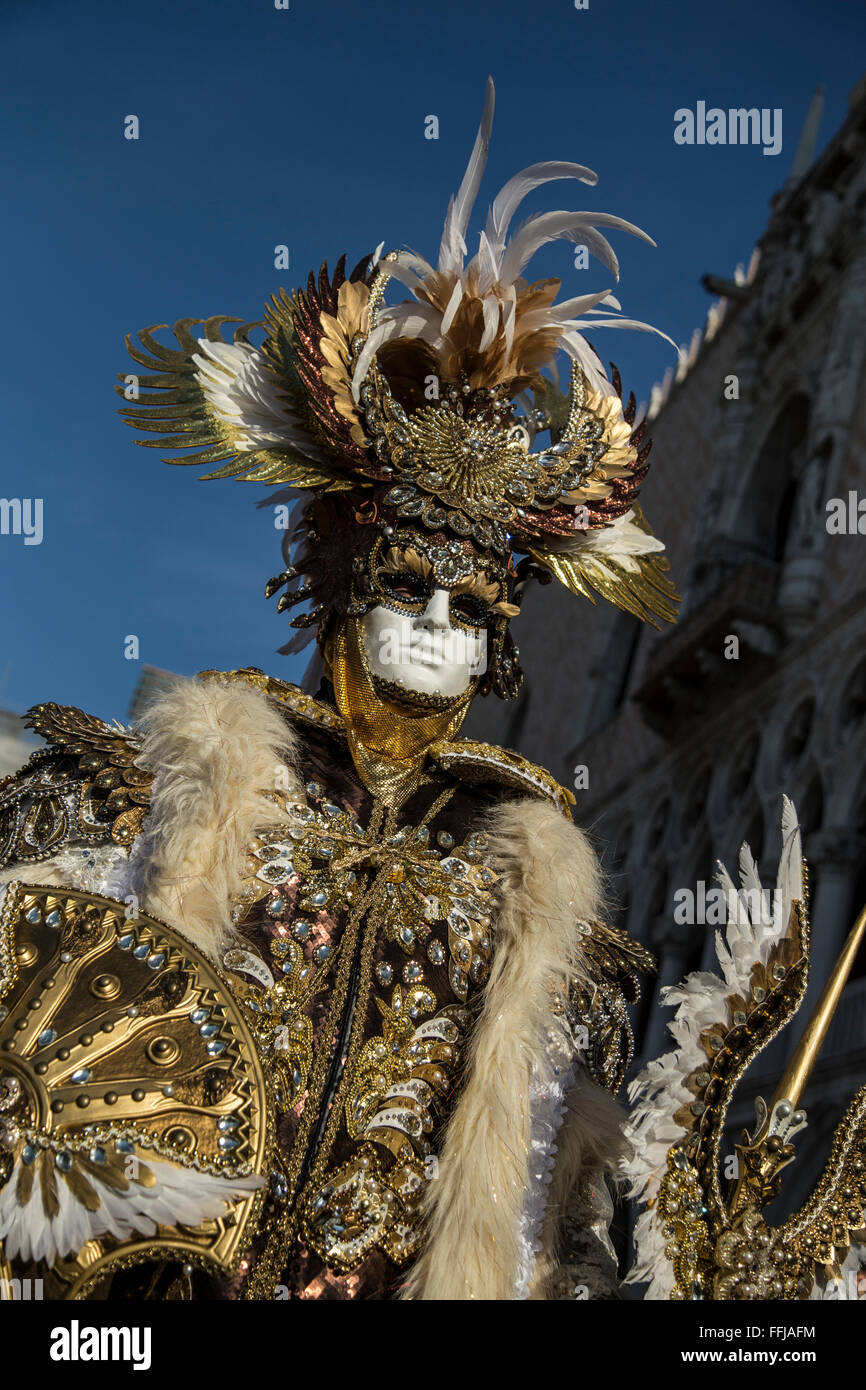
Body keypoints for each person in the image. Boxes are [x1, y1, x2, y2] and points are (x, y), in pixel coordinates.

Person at [0, 79, 676, 1300]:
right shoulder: (145, 798)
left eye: (467, 615)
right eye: (409, 591)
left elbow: (548, 1220)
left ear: (501, 649)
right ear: (336, 583)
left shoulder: (523, 896)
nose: (431, 634)